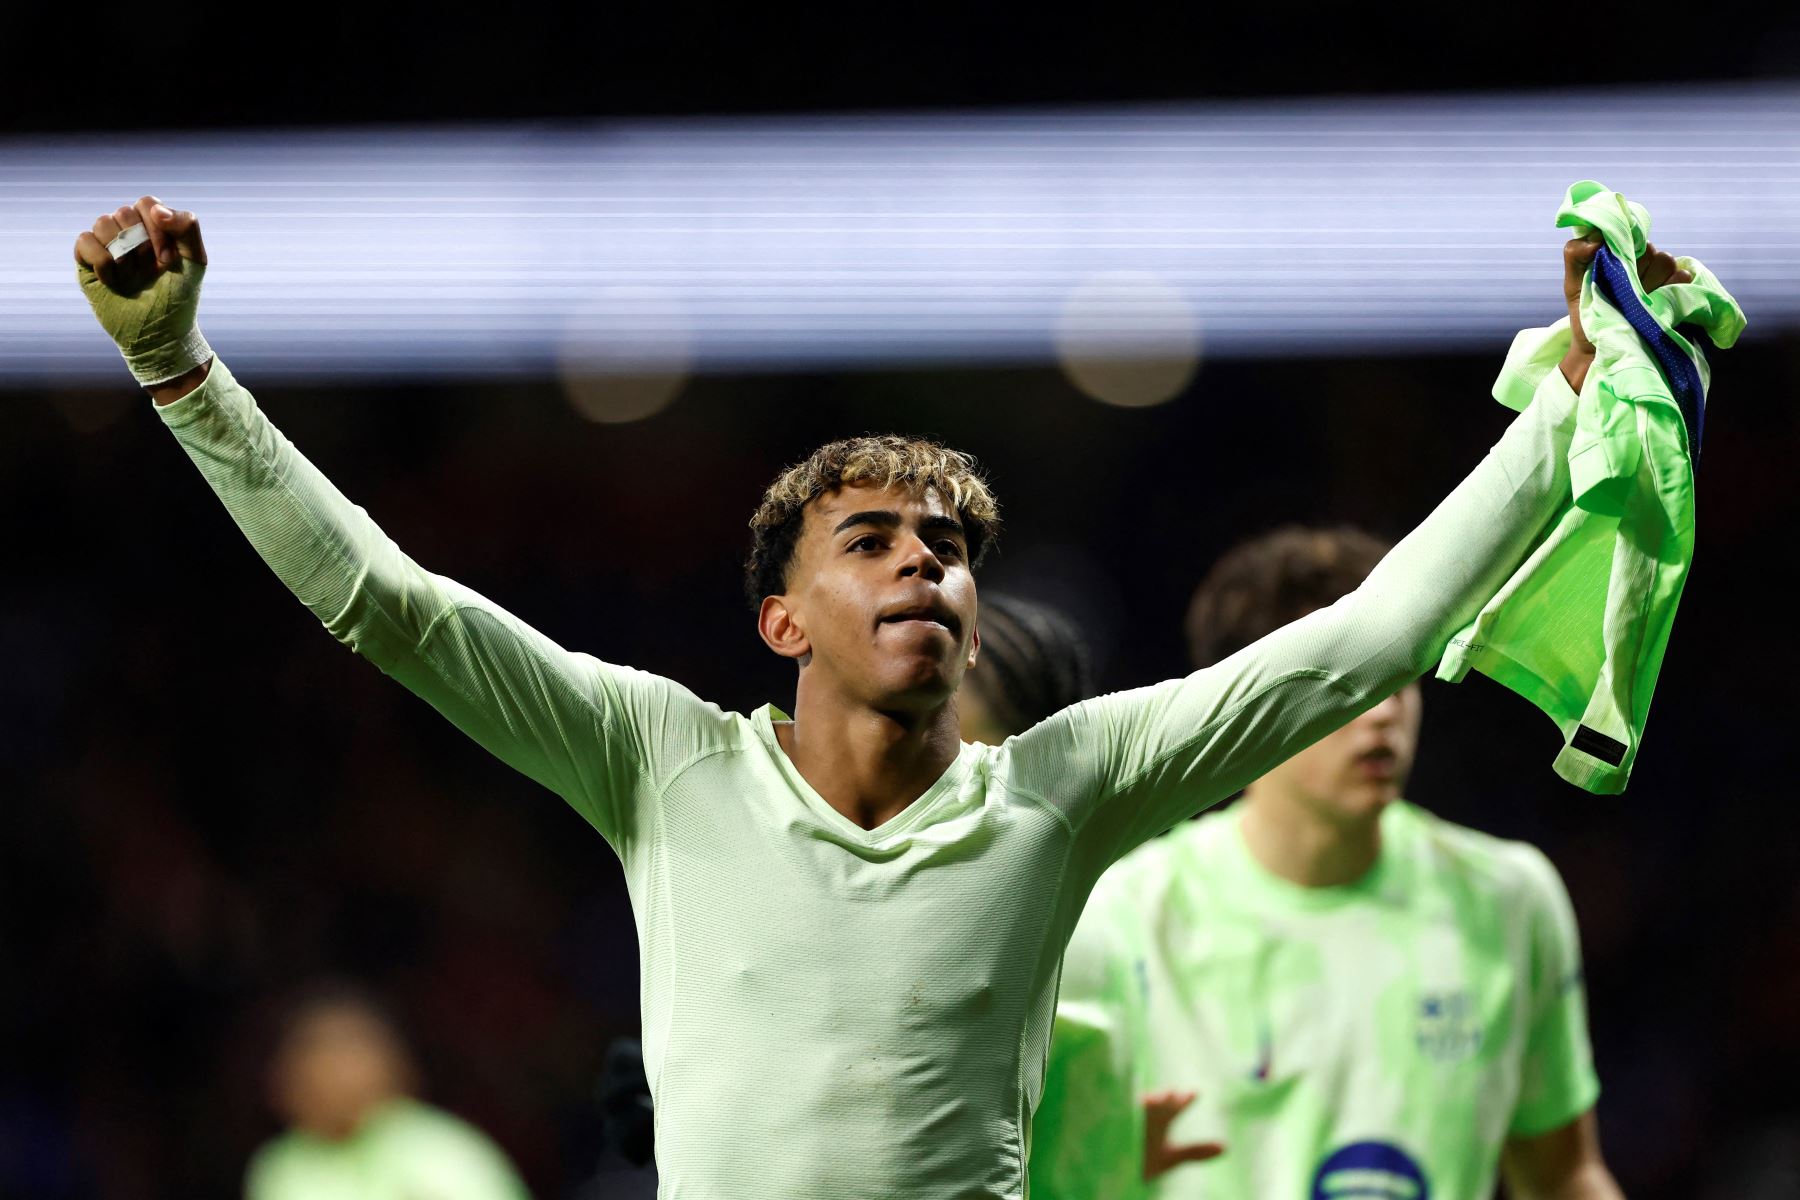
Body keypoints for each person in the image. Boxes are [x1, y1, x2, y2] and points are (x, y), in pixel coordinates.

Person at [73, 195, 1686, 1198]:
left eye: (951, 550)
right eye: (876, 542)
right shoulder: (659, 760)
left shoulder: (1060, 787)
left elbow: (1364, 640)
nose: (928, 567)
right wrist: (185, 385)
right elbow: (390, 608)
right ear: (781, 614)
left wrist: (1565, 412)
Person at [1030, 525, 1623, 1199]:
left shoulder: (1508, 899)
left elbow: (1565, 1173)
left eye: (1402, 675)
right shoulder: (1118, 916)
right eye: (1347, 684)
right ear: (1241, 704)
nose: (1385, 711)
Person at [248, 983, 531, 1200]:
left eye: (353, 1052)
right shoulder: (279, 1165)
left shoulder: (437, 1147)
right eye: (318, 1054)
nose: (339, 1073)